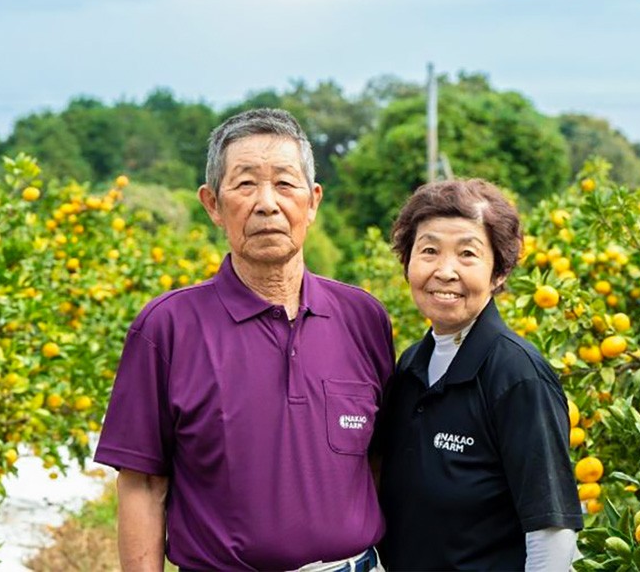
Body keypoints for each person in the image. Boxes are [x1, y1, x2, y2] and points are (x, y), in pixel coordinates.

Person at [94, 108, 394, 572]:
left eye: (285, 183)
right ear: (213, 204)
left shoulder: (363, 318)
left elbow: (379, 458)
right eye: (246, 184)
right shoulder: (167, 327)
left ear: (313, 201)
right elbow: (143, 485)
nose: (267, 204)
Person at [378, 178, 583, 571]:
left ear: (498, 272)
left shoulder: (517, 375)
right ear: (407, 263)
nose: (445, 271)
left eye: (467, 254)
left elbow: (551, 532)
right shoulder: (411, 366)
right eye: (429, 251)